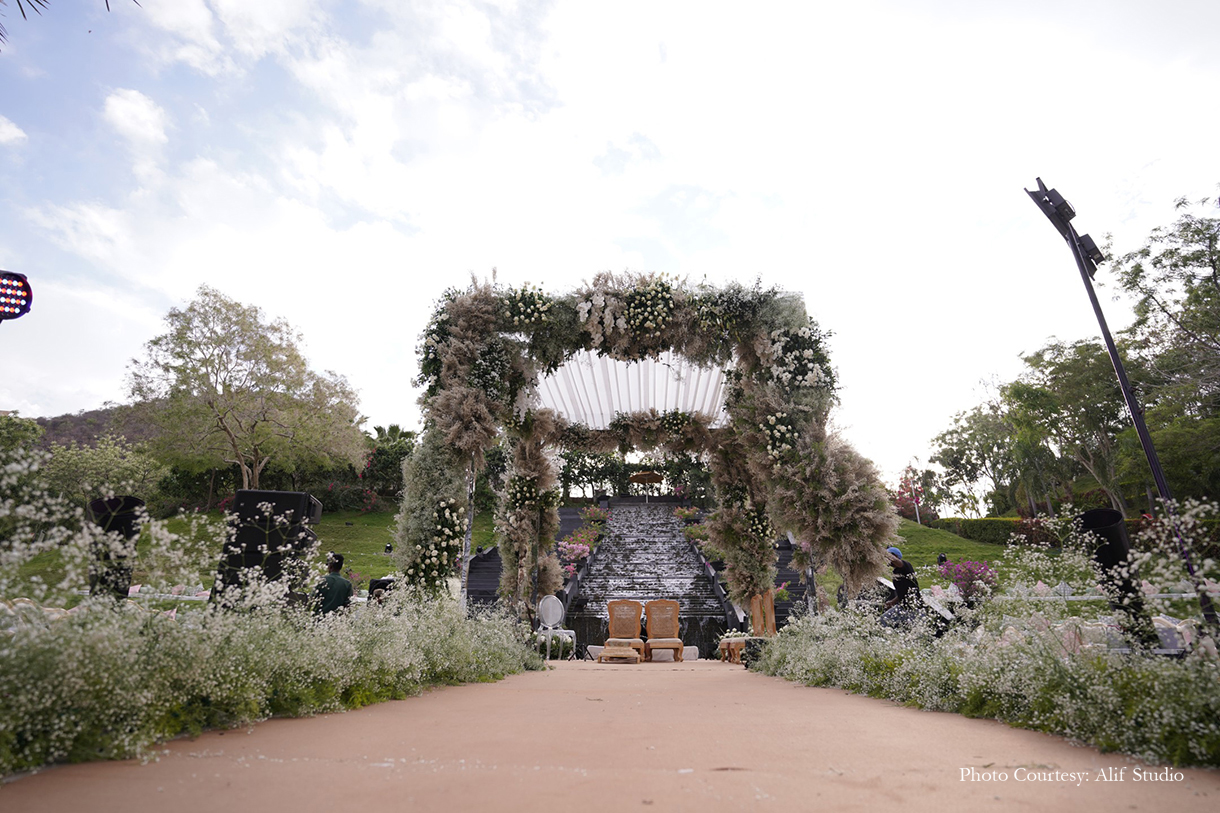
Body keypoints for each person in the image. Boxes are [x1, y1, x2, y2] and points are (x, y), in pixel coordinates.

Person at [880, 546, 921, 628]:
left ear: (895, 556)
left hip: (913, 606)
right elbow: (902, 592)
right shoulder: (895, 572)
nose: (887, 560)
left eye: (889, 557)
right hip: (902, 606)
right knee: (883, 620)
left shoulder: (906, 566)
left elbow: (896, 561)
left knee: (911, 628)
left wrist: (883, 552)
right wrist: (892, 602)